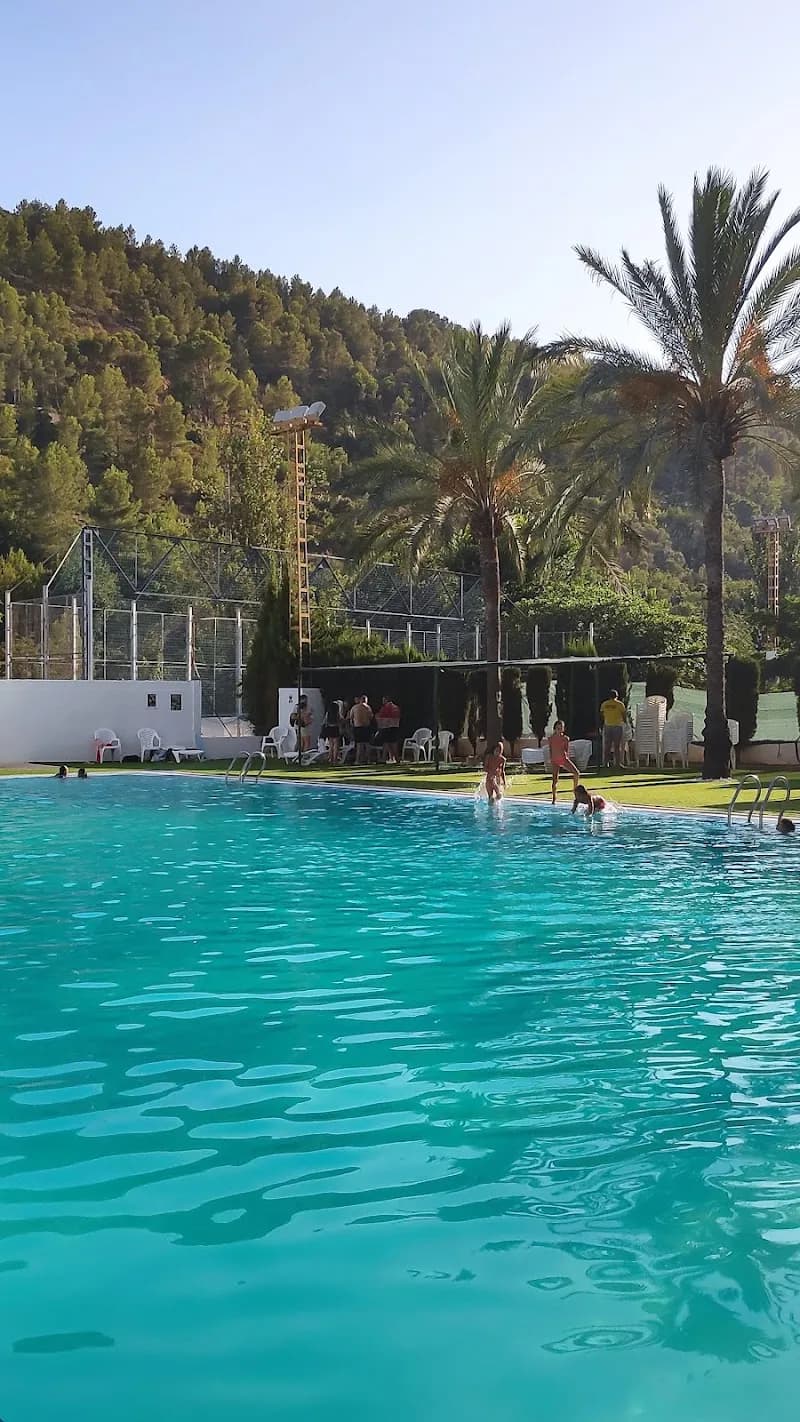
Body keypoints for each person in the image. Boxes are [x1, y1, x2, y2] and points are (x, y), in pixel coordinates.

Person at [548, 720, 580, 804]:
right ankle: (554, 798)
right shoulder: (551, 738)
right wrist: (551, 760)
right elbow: (550, 750)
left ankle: (575, 792)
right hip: (555, 760)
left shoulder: (565, 739)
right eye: (558, 728)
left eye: (561, 728)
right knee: (554, 780)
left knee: (576, 773)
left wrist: (565, 761)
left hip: (563, 759)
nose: (559, 729)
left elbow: (566, 750)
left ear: (563, 729)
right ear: (555, 729)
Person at [599, 689, 626, 767]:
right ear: (617, 696)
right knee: (617, 746)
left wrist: (602, 724)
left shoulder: (604, 704)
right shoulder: (620, 704)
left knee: (607, 746)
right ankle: (617, 763)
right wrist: (625, 722)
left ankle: (605, 763)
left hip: (607, 726)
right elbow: (624, 715)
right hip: (617, 726)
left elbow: (601, 715)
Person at [375, 694, 402, 764]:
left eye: (383, 700)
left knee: (386, 743)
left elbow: (380, 717)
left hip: (387, 727)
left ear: (386, 700)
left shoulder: (385, 708)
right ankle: (397, 759)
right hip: (395, 727)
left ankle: (383, 759)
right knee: (394, 744)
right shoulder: (396, 707)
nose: (382, 701)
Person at [348, 694, 374, 765]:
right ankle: (368, 760)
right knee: (367, 744)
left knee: (359, 745)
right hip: (366, 727)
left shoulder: (354, 707)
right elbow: (371, 717)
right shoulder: (368, 707)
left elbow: (351, 718)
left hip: (358, 727)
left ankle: (358, 760)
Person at [322, 698, 344, 765]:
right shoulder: (337, 713)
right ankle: (335, 759)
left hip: (329, 728)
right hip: (335, 728)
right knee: (336, 745)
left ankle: (330, 759)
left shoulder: (328, 714)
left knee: (331, 745)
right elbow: (341, 720)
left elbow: (324, 722)